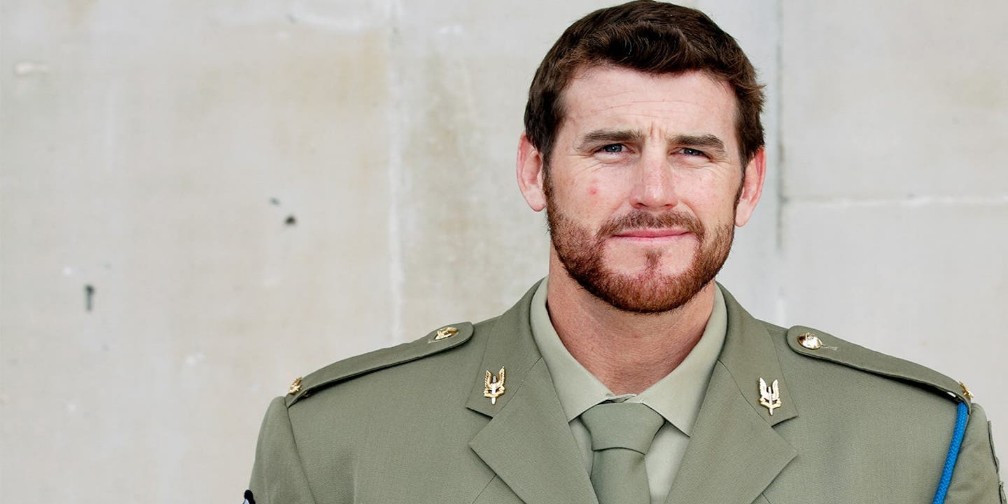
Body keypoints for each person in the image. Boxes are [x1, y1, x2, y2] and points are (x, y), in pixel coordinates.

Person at [245, 1, 1005, 503]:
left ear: (748, 183)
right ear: (534, 170)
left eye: (694, 152)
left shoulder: (916, 448)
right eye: (611, 147)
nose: (654, 191)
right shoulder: (337, 446)